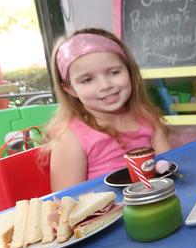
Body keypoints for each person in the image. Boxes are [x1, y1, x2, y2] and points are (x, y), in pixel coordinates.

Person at [44, 28, 171, 191]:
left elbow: (169, 168)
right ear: (70, 89)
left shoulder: (146, 118)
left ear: (130, 72)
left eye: (114, 72)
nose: (105, 85)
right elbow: (67, 202)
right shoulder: (70, 138)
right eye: (87, 80)